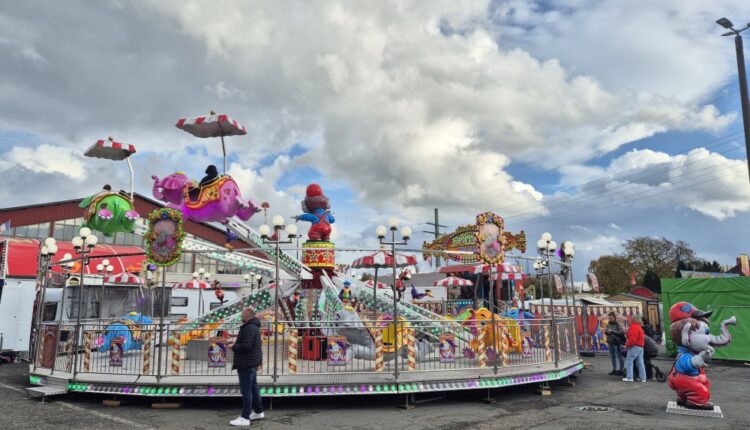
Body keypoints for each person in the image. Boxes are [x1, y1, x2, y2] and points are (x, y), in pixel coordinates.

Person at [229, 307, 264, 426]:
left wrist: (233, 346)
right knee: (253, 388)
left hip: (246, 363)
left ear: (248, 316)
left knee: (246, 390)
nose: (241, 316)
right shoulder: (253, 327)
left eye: (242, 314)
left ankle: (245, 418)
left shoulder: (249, 328)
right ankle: (258, 411)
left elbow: (246, 346)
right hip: (251, 362)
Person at [623, 314, 647, 383]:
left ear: (634, 319)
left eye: (631, 318)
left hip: (634, 346)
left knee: (629, 360)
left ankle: (629, 377)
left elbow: (632, 339)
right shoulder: (639, 327)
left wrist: (627, 345)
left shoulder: (633, 327)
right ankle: (643, 378)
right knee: (640, 362)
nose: (630, 319)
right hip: (641, 346)